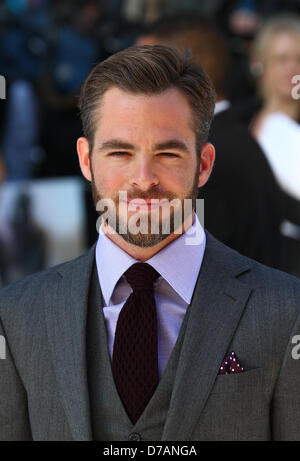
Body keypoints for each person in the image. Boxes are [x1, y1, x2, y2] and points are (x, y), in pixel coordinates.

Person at [0, 45, 300, 441]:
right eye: (120, 152)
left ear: (204, 163)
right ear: (86, 160)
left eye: (168, 153)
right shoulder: (17, 316)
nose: (144, 178)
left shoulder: (286, 308)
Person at [136, 14, 286, 270]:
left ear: (186, 74)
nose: (128, 83)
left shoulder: (204, 159)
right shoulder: (233, 140)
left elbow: (182, 273)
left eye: (143, 70)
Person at [250, 14, 300, 277]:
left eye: (299, 59)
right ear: (261, 64)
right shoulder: (238, 119)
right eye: (282, 59)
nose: (292, 69)